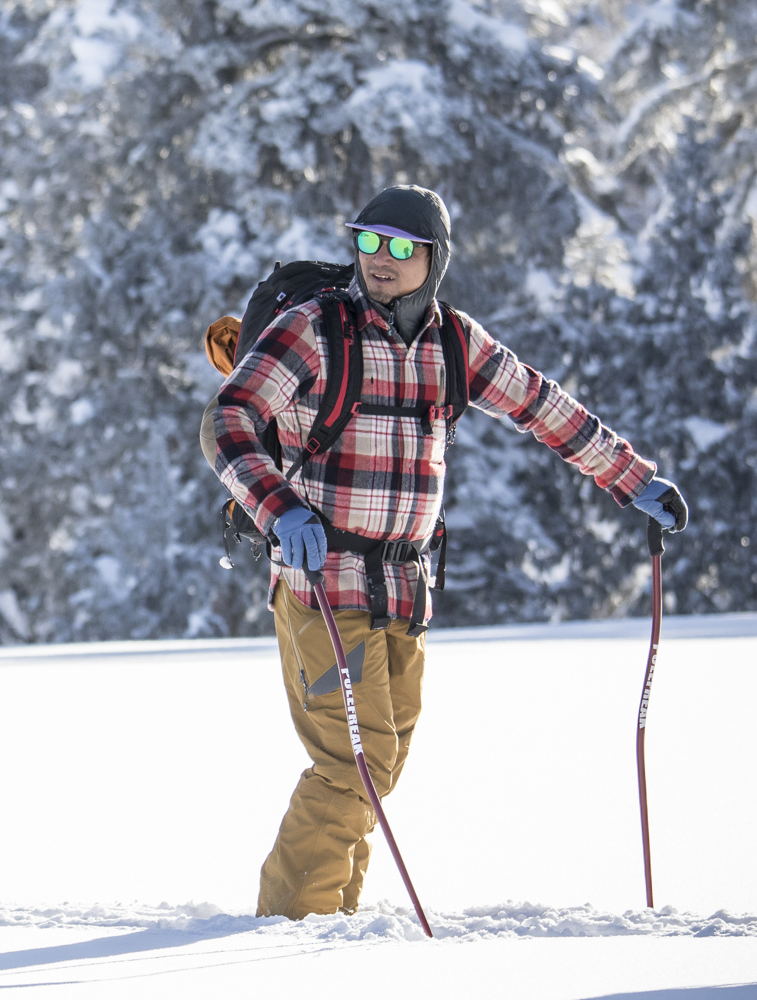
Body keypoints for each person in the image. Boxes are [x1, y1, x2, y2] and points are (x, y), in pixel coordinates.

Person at [204, 185, 688, 920]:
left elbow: (543, 407)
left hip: (405, 586)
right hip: (320, 581)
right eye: (370, 243)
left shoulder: (455, 343)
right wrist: (277, 508)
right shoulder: (314, 330)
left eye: (402, 248)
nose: (383, 261)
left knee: (379, 767)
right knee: (350, 767)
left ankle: (331, 933)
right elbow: (230, 418)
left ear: (435, 259)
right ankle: (289, 934)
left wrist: (634, 481)